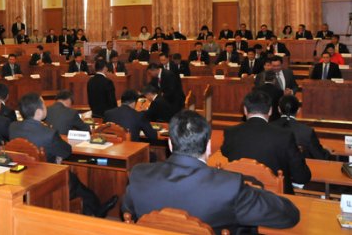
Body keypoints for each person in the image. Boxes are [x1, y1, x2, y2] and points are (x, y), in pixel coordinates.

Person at [122, 110, 299, 234]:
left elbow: (128, 212)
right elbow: (288, 215)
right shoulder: (229, 186)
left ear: (169, 144)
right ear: (208, 146)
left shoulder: (139, 175)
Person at [9, 93, 118, 217]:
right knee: (75, 182)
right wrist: (57, 157)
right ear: (38, 112)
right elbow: (66, 151)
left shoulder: (13, 127)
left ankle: (90, 210)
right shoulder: (48, 133)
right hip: (48, 180)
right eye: (44, 105)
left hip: (22, 177)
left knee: (76, 183)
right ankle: (96, 210)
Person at [221, 91, 311, 194]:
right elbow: (302, 177)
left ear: (245, 110)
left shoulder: (231, 132)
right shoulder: (284, 135)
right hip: (276, 198)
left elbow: (225, 152)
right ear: (270, 111)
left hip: (239, 194)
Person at [272, 96, 331, 160]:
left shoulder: (269, 127)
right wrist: (327, 152)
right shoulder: (307, 131)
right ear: (298, 110)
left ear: (279, 109)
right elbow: (320, 156)